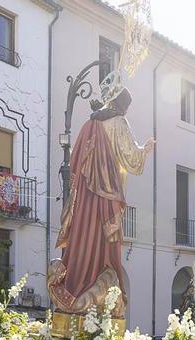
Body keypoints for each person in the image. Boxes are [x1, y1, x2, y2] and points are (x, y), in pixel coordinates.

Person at [48, 87, 151, 317]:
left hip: (84, 198)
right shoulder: (118, 123)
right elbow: (131, 157)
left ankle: (75, 284)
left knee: (81, 238)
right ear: (122, 106)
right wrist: (145, 151)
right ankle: (96, 298)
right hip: (106, 199)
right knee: (103, 245)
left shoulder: (88, 125)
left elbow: (74, 164)